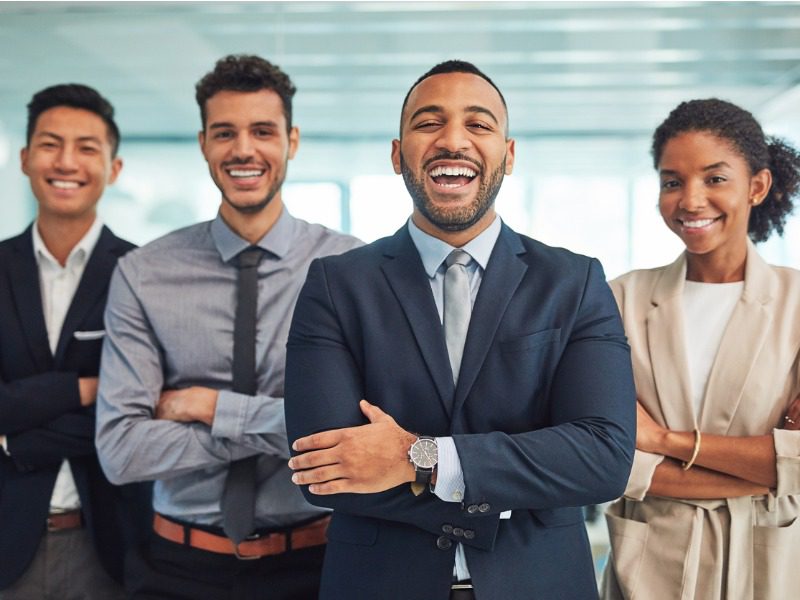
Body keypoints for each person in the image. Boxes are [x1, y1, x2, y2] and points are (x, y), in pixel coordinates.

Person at [284, 60, 637, 600]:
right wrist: (508, 484)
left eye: (478, 124)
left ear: (508, 154)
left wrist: (415, 457)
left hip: (539, 585)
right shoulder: (336, 285)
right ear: (398, 154)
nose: (453, 140)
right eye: (429, 123)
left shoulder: (574, 281)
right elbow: (323, 468)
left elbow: (603, 458)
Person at [95, 55, 361, 599]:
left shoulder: (350, 269)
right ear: (203, 144)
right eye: (225, 133)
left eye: (263, 131)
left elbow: (355, 437)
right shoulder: (145, 273)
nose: (243, 150)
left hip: (317, 565)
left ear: (292, 140)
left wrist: (208, 407)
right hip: (176, 569)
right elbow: (122, 451)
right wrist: (284, 426)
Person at [601, 98, 800, 600]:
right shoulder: (618, 300)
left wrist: (665, 442)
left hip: (770, 567)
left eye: (715, 179)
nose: (690, 200)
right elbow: (609, 461)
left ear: (757, 185)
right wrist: (769, 468)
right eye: (672, 181)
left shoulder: (797, 304)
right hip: (650, 569)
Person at [0, 84, 151, 599]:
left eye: (87, 147)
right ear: (24, 158)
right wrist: (93, 388)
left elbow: (146, 417)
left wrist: (13, 440)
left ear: (113, 168)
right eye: (50, 144)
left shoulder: (146, 275)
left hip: (112, 546)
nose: (66, 162)